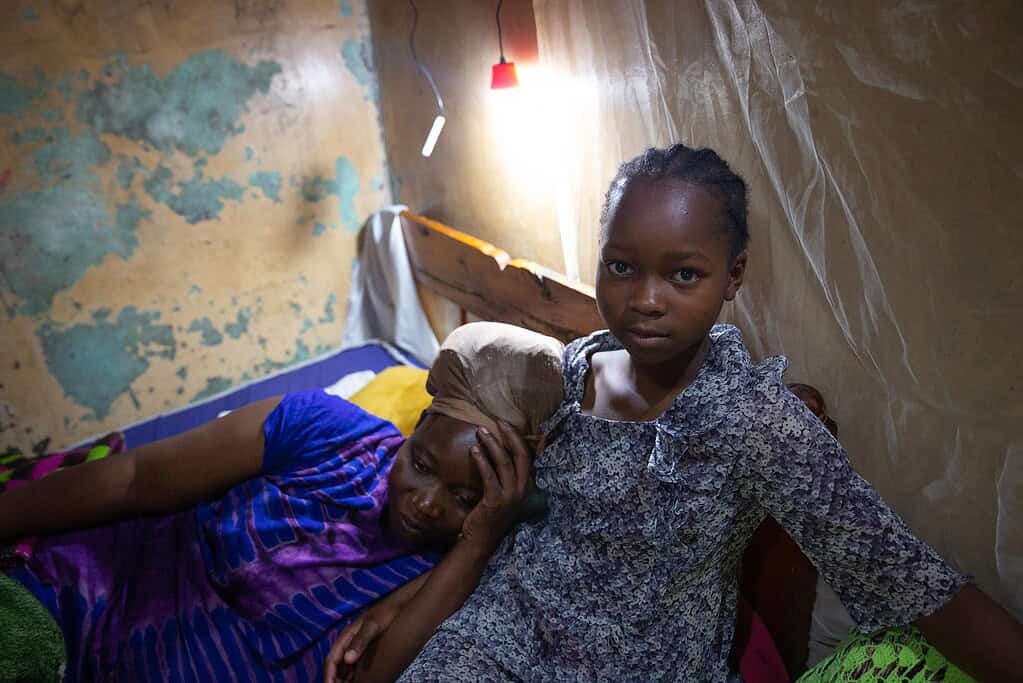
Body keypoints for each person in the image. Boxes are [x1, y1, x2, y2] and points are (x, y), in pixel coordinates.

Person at [331, 144, 1023, 682]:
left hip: (640, 661)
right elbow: (537, 524)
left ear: (733, 276)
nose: (646, 299)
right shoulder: (572, 372)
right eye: (621, 267)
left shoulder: (756, 421)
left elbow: (900, 573)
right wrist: (417, 593)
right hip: (504, 630)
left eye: (682, 274)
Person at [0, 321, 563, 682]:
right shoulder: (324, 429)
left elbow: (367, 677)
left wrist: (480, 540)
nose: (426, 504)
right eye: (420, 464)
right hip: (79, 599)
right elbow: (134, 478)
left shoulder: (473, 577)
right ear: (416, 427)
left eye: (465, 498)